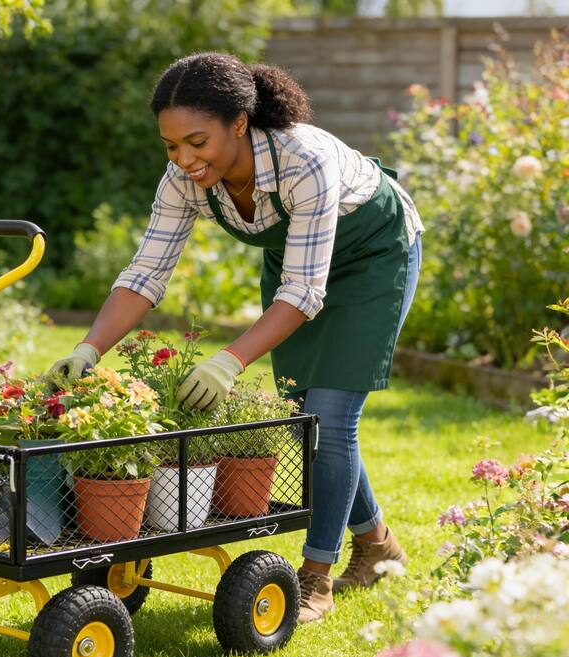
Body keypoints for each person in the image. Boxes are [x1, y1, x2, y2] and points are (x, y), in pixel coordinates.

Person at [48, 52, 423, 623]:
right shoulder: (184, 180)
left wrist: (230, 360)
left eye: (197, 142)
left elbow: (303, 292)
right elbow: (147, 273)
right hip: (297, 258)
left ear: (240, 122)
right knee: (305, 409)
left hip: (373, 255)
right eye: (171, 146)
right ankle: (376, 545)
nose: (184, 159)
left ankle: (316, 577)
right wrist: (88, 348)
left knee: (329, 413)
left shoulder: (304, 159)